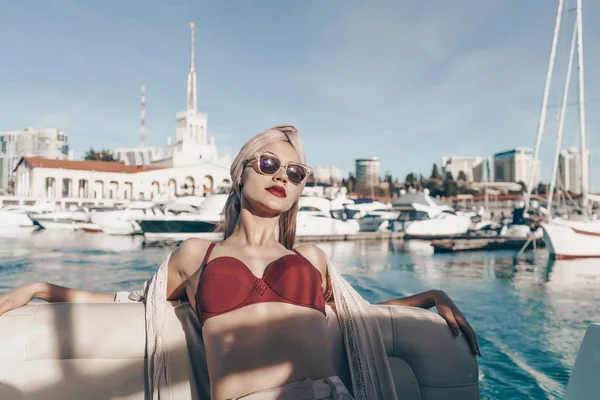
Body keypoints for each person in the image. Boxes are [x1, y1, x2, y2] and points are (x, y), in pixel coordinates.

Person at [0, 125, 480, 399]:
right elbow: (133, 304)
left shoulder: (311, 258)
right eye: (268, 164)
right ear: (240, 173)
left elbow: (357, 316)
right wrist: (42, 289)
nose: (282, 178)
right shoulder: (197, 255)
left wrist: (429, 298)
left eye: (295, 173)